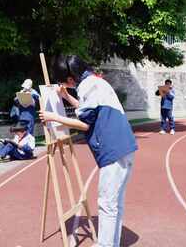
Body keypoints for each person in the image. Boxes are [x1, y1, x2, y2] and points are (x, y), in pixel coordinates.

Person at [39, 55, 137, 247]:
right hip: (123, 147)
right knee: (115, 203)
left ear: (70, 79)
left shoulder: (87, 86)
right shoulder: (96, 82)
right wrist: (67, 97)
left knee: (107, 204)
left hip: (113, 149)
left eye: (64, 83)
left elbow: (84, 123)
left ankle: (105, 245)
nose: (65, 86)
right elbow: (88, 110)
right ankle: (111, 243)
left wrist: (53, 117)